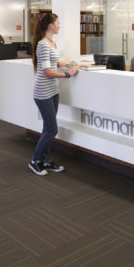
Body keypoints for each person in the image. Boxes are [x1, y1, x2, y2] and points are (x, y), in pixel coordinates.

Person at [30, 12, 78, 176]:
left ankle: (45, 161)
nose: (59, 25)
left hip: (53, 91)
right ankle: (34, 160)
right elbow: (48, 71)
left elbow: (57, 62)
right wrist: (67, 74)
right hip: (43, 92)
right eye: (58, 23)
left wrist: (76, 64)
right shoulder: (43, 44)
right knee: (52, 130)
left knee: (47, 128)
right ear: (50, 25)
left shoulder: (52, 42)